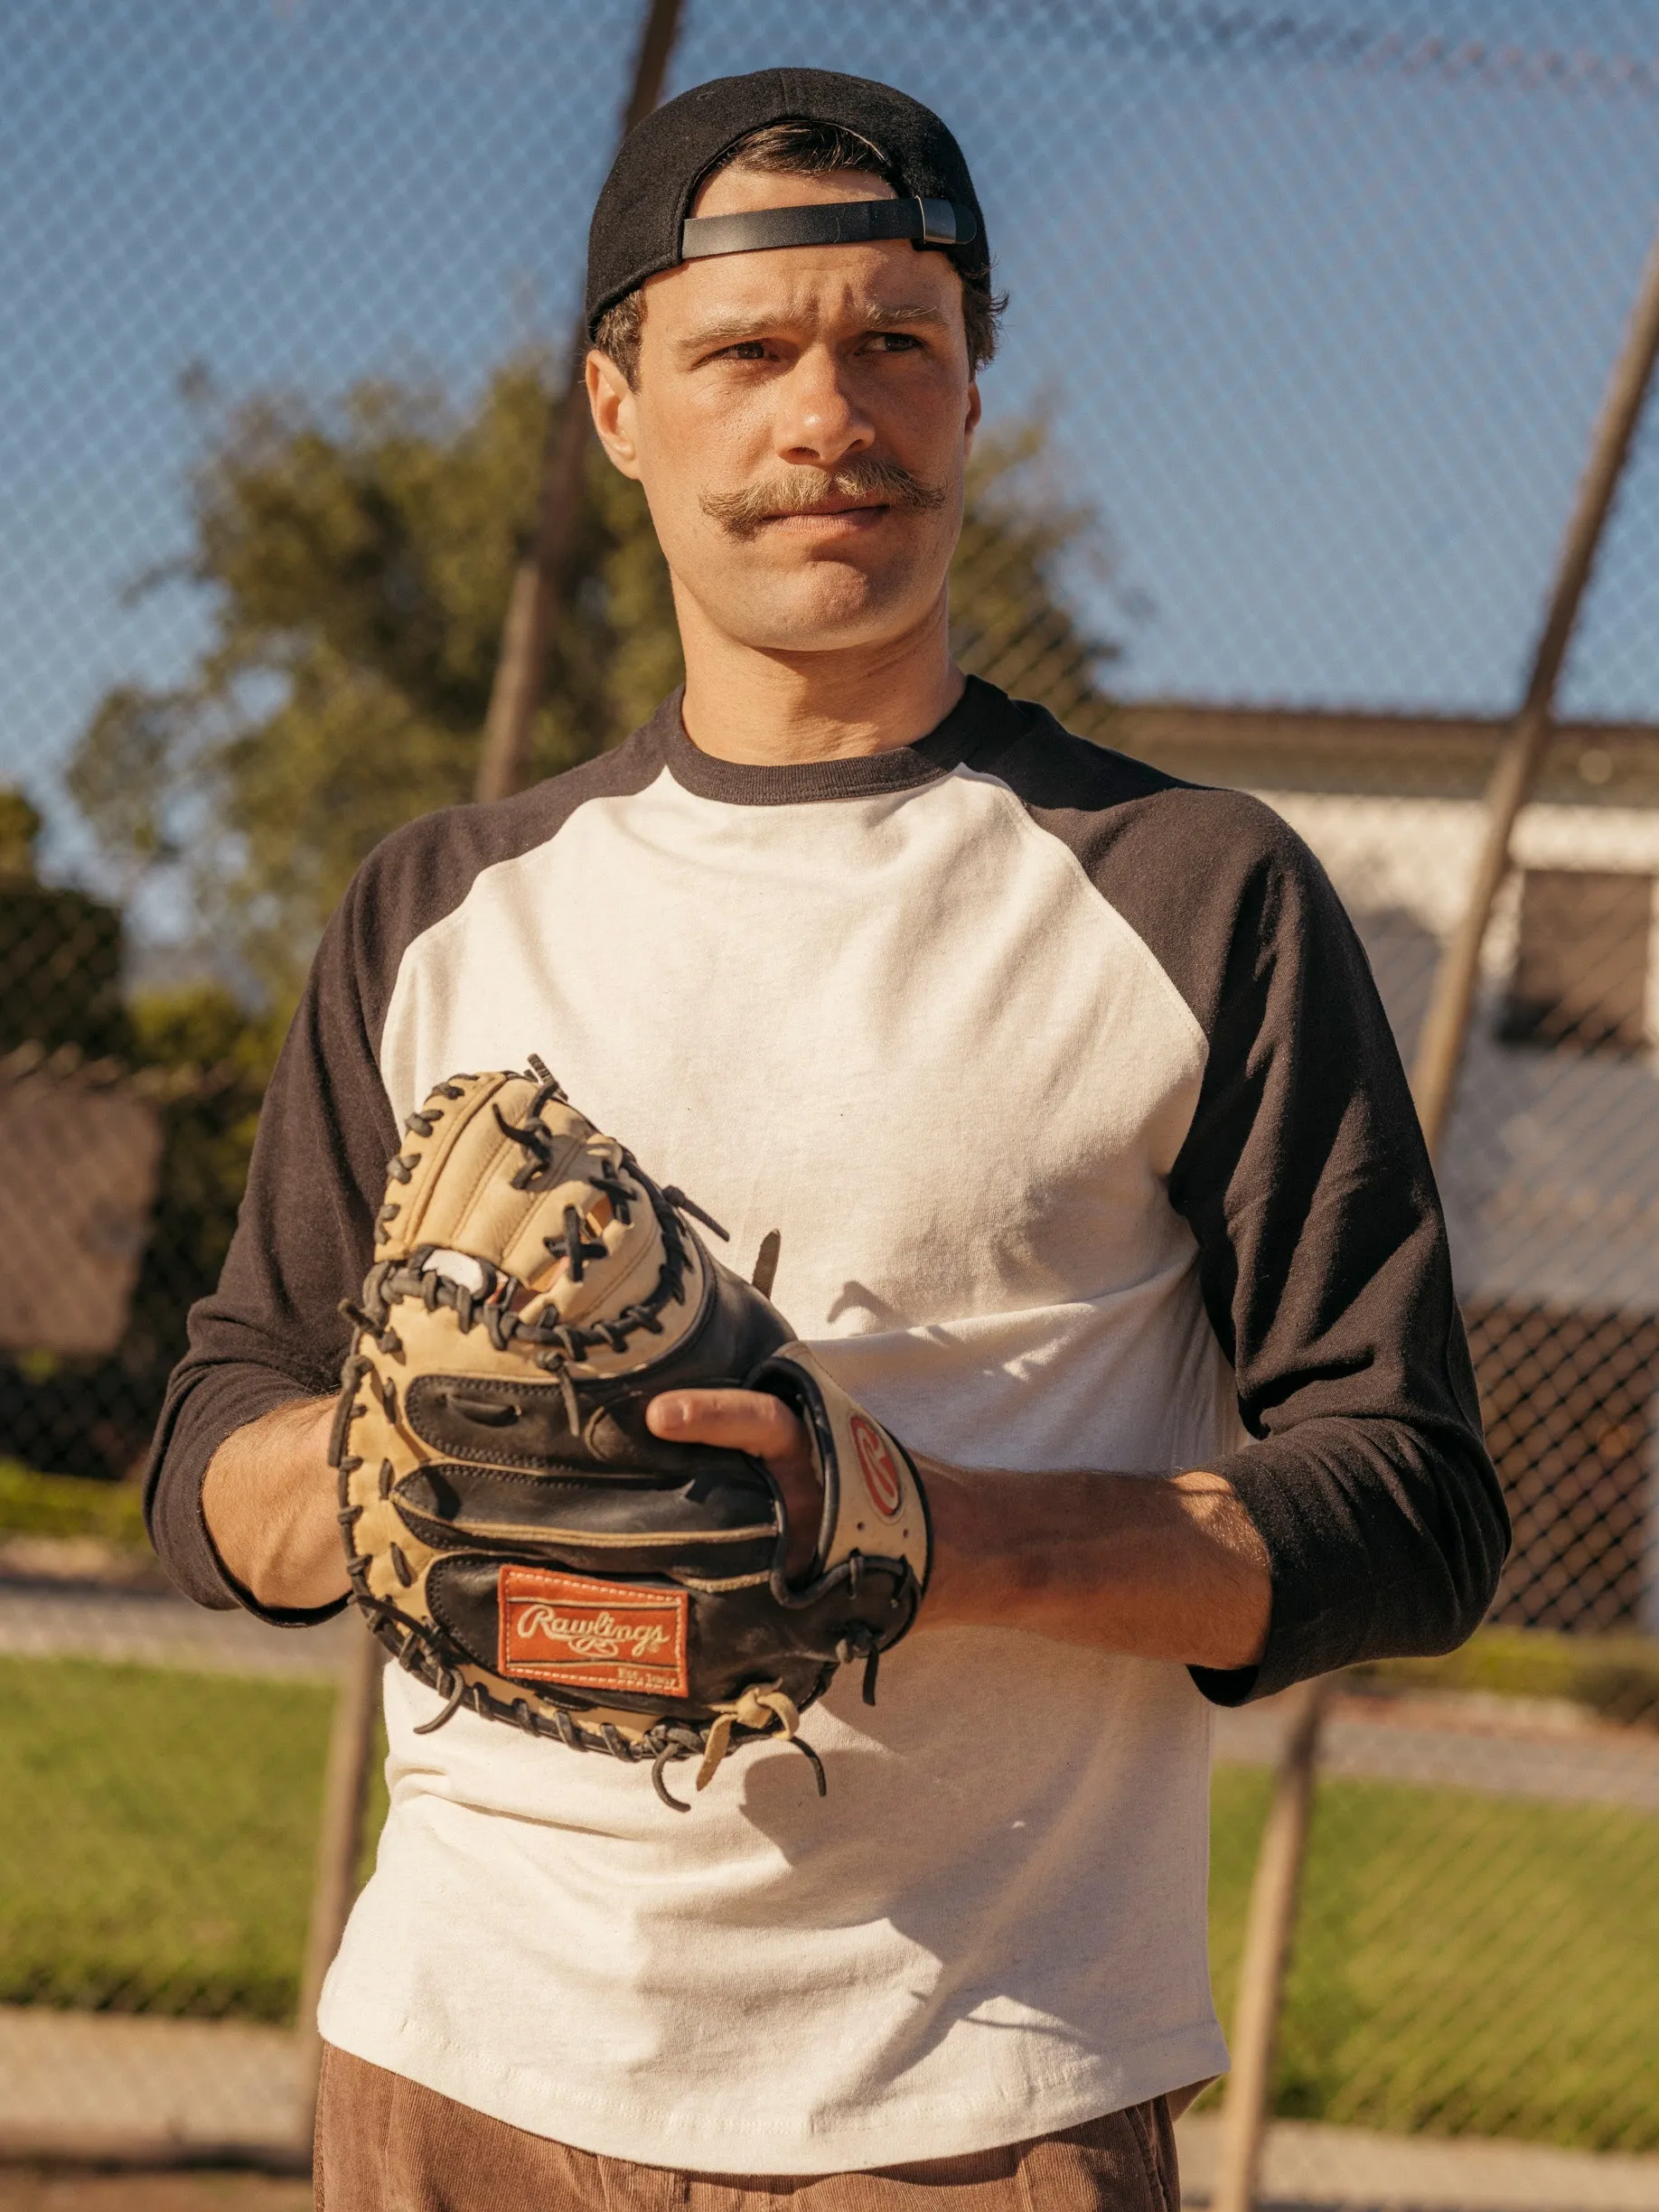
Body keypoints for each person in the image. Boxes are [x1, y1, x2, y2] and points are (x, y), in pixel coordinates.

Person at [146, 67, 1507, 2212]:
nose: (828, 418)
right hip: (455, 2073)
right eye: (747, 350)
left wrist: (933, 1532)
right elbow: (214, 1437)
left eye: (899, 342)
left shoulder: (1189, 893)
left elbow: (1415, 1507)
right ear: (619, 407)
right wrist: (373, 1470)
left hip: (972, 2107)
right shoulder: (437, 909)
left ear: (972, 391)